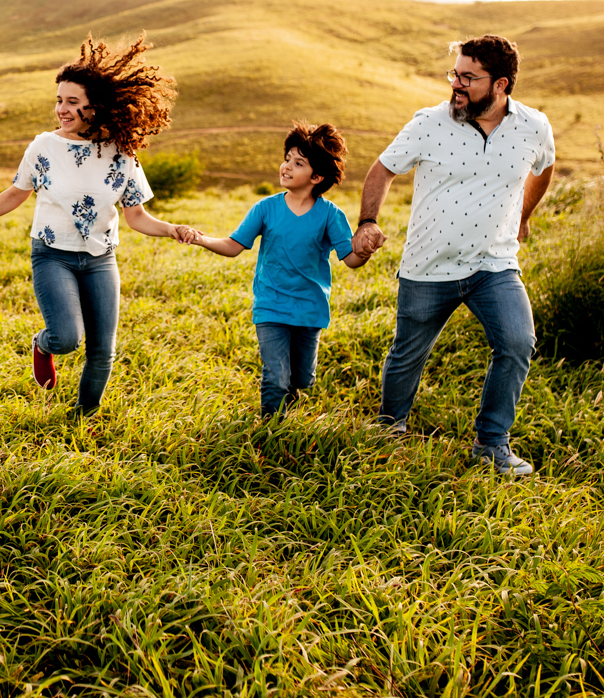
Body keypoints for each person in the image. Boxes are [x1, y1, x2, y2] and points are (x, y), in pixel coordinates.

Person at [0, 35, 199, 416]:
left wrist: (173, 228)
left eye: (72, 102)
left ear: (96, 106)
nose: (62, 109)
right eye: (59, 100)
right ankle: (43, 346)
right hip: (52, 255)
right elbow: (15, 194)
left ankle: (83, 416)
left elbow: (137, 216)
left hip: (100, 259)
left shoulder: (122, 152)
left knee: (103, 350)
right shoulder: (43, 146)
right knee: (66, 337)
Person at [352, 35, 555, 475]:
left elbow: (544, 167)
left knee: (519, 343)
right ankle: (390, 428)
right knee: (408, 353)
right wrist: (367, 221)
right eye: (455, 74)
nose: (456, 85)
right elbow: (382, 169)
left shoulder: (534, 126)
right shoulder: (428, 122)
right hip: (429, 263)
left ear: (501, 84)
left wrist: (524, 215)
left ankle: (492, 444)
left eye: (468, 77)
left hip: (494, 265)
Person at [193, 122, 369, 417]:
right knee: (275, 378)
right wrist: (201, 239)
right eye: (287, 158)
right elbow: (234, 246)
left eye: (298, 163)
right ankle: (270, 427)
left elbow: (349, 259)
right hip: (271, 305)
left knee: (300, 379)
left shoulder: (330, 215)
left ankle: (290, 396)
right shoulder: (265, 208)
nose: (286, 166)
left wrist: (364, 251)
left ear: (317, 176)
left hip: (309, 309)